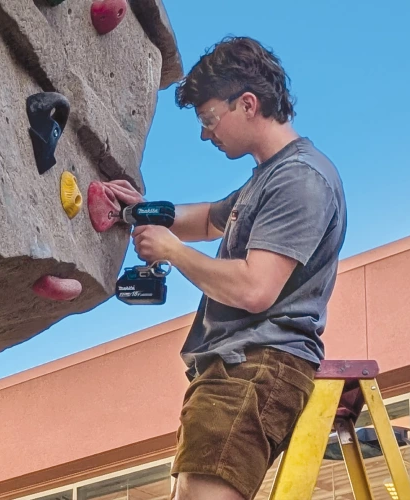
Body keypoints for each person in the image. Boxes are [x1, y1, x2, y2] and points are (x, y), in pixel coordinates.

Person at [106, 36, 348, 499]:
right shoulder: (268, 178)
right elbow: (211, 219)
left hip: (257, 364)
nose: (204, 134)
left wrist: (172, 251)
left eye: (209, 118)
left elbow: (257, 288)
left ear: (249, 104)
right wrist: (142, 212)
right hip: (236, 365)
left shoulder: (300, 179)